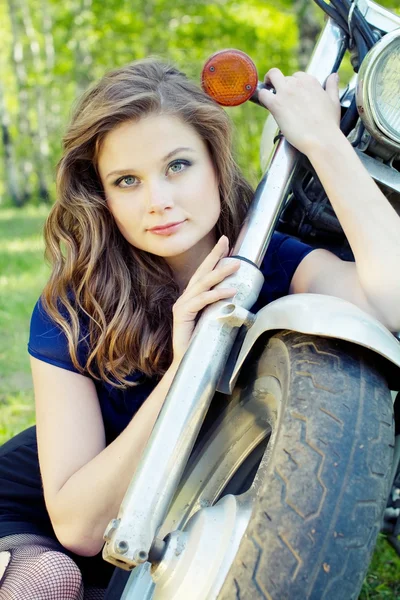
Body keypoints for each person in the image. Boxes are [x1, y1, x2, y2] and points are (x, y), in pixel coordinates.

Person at [1, 57, 400, 600]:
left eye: (178, 166)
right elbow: (79, 528)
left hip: (170, 534)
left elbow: (394, 304)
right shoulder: (73, 309)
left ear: (216, 163)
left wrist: (321, 141)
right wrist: (187, 362)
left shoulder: (269, 261)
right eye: (127, 181)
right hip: (45, 529)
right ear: (105, 199)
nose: (158, 200)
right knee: (52, 583)